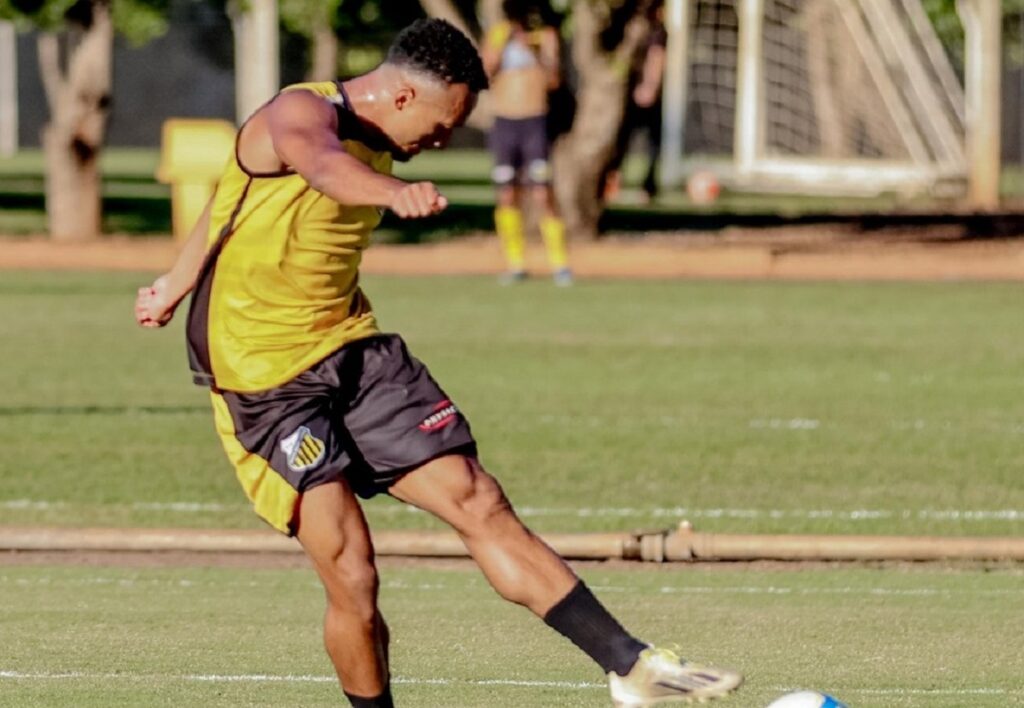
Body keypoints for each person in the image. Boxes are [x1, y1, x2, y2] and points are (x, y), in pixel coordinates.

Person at [134, 18, 741, 708]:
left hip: (352, 347)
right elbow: (321, 165)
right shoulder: (298, 114)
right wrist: (390, 192)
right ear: (400, 97)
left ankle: (629, 664)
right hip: (264, 379)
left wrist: (174, 280)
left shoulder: (374, 134)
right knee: (354, 574)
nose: (445, 141)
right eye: (443, 123)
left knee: (477, 497)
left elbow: (224, 200)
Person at [481, 0, 573, 286]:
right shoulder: (498, 34)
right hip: (505, 123)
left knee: (543, 193)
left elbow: (554, 80)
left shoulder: (546, 37)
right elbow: (485, 74)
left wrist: (538, 53)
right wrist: (501, 47)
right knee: (507, 193)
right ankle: (515, 262)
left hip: (535, 122)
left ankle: (559, 264)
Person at [604, 3, 667, 204]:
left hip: (644, 93)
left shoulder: (656, 31)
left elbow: (657, 57)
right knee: (622, 140)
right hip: (631, 92)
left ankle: (646, 186)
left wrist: (650, 86)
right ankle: (613, 180)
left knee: (650, 144)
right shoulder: (637, 27)